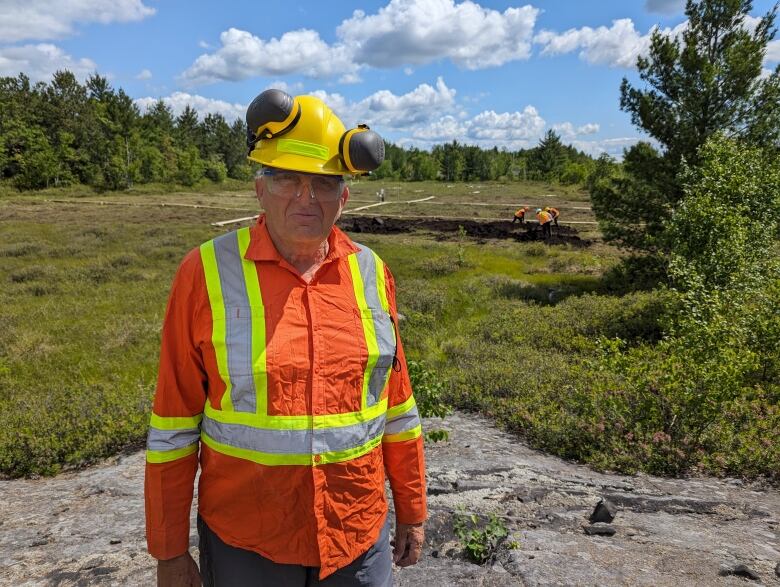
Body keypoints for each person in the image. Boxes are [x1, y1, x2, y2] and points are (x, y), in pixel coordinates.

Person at [145, 90, 426, 587]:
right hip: (247, 541)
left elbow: (396, 405)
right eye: (287, 179)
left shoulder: (371, 271)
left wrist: (411, 508)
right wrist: (168, 551)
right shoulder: (205, 272)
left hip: (356, 533)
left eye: (323, 183)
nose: (306, 197)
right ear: (259, 187)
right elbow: (173, 424)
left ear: (344, 195)